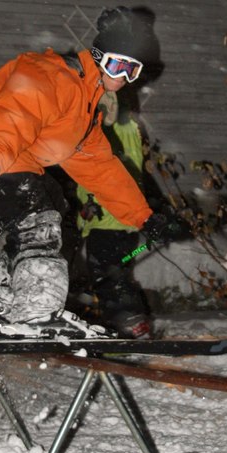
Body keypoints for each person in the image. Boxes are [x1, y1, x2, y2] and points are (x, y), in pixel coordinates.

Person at [0, 7, 179, 339]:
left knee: (55, 210)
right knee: (40, 221)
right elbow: (12, 117)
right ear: (98, 57)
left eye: (133, 71)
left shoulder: (83, 109)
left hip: (6, 161)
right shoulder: (53, 76)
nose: (123, 78)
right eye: (118, 65)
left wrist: (144, 217)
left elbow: (101, 170)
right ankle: (35, 313)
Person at [75, 91, 152, 339]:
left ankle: (126, 326)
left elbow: (102, 171)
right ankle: (125, 323)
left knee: (108, 279)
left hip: (106, 217)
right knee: (116, 275)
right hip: (125, 221)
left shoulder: (103, 131)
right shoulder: (130, 129)